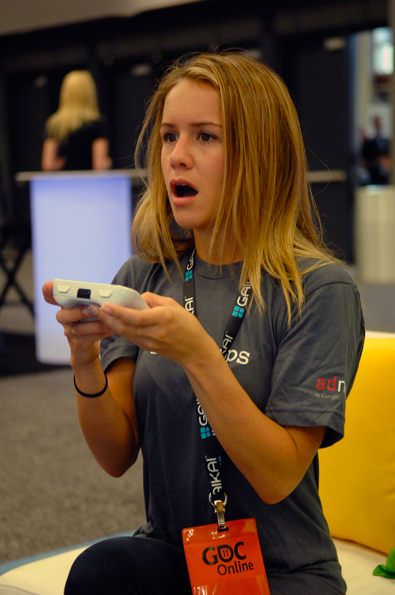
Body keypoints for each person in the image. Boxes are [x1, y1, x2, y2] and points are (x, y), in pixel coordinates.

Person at [42, 51, 365, 594]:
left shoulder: (317, 289)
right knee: (105, 570)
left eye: (205, 137)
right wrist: (84, 358)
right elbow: (116, 455)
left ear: (258, 154)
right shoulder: (147, 273)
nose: (178, 158)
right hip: (174, 559)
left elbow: (276, 474)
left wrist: (197, 355)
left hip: (279, 575)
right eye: (169, 136)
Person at [41, 70, 112, 171]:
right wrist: (108, 162)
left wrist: (64, 162)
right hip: (89, 183)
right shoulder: (98, 124)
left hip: (63, 184)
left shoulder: (54, 124)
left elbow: (48, 164)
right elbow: (100, 165)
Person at [360, 115, 390, 185]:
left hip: (385, 178)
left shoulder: (387, 142)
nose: (379, 126)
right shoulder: (369, 143)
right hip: (373, 177)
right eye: (377, 124)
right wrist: (375, 162)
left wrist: (386, 163)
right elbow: (364, 162)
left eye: (380, 124)